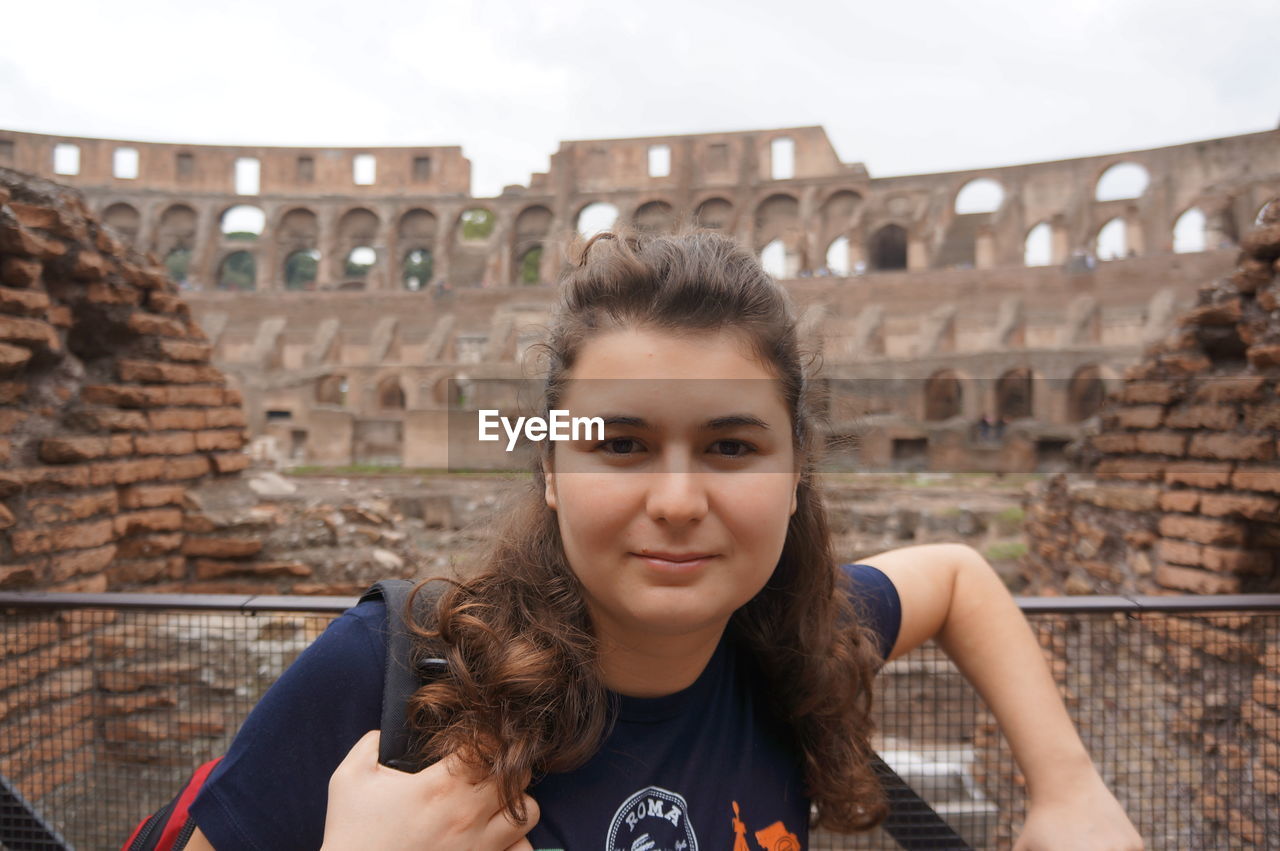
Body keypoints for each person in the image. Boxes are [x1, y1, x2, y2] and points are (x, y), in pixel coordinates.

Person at [185, 230, 1142, 850]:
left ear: (795, 469)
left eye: (732, 444)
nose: (679, 499)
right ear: (551, 470)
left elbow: (961, 579)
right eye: (620, 443)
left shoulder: (786, 638)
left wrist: (1069, 791)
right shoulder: (389, 676)